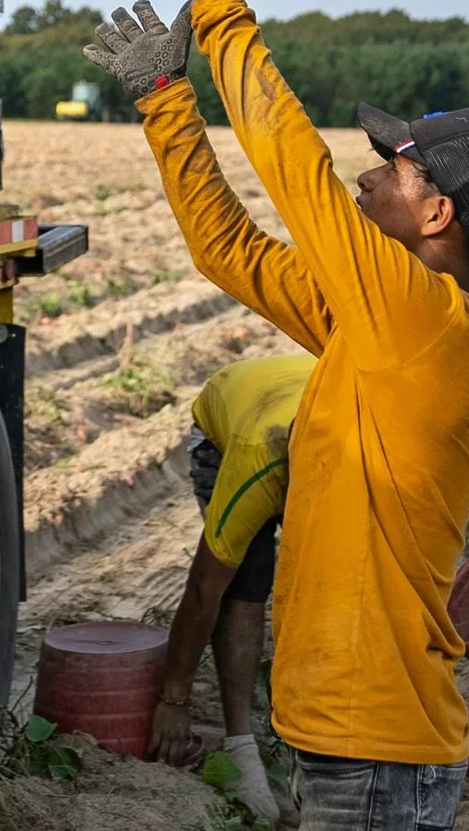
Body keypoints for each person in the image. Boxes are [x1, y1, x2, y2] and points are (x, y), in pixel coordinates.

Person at [83, 0, 469, 831]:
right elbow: (232, 252)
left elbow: (297, 173)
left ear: (438, 215)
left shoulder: (421, 320)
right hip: (345, 741)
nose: (365, 176)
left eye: (391, 168)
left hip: (376, 751)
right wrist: (166, 100)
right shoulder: (377, 327)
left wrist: (222, 13)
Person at [149, 352, 315, 822]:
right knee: (245, 584)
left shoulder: (370, 457)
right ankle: (241, 745)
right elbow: (205, 587)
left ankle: (309, 740)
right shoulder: (257, 463)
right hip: (234, 415)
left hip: (298, 397)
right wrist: (174, 698)